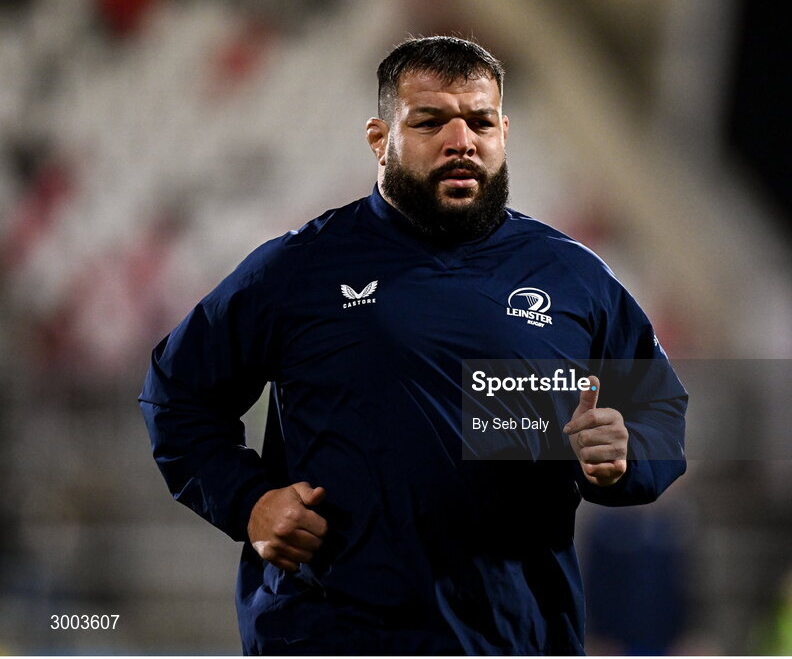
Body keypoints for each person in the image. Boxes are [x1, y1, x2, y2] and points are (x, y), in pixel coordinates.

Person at [139, 35, 687, 655]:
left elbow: (661, 418)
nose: (461, 141)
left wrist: (623, 455)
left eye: (480, 122)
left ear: (504, 133)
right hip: (332, 637)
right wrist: (249, 501)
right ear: (380, 139)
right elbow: (175, 395)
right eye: (430, 122)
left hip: (514, 638)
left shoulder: (573, 277)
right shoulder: (299, 269)